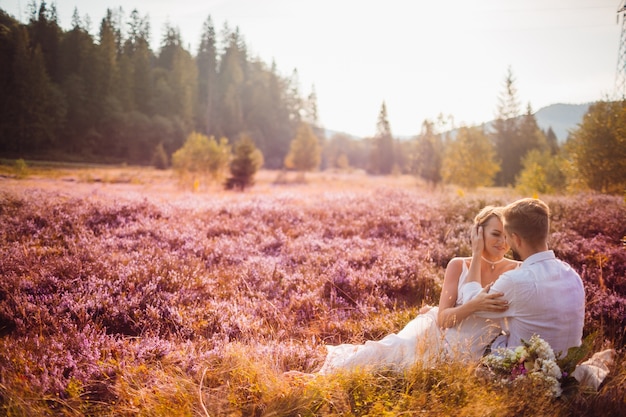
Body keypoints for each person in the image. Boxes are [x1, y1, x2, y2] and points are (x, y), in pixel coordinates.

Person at [315, 206, 519, 374]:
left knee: (410, 370)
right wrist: (476, 257)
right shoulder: (458, 265)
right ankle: (316, 379)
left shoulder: (517, 270)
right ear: (478, 233)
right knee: (395, 349)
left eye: (506, 236)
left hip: (466, 349)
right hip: (433, 330)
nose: (502, 243)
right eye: (495, 234)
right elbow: (444, 320)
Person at [461, 198, 585, 357]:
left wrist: (476, 253)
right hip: (567, 369)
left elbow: (470, 303)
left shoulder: (515, 281)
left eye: (506, 236)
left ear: (517, 239)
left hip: (524, 372)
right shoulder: (572, 275)